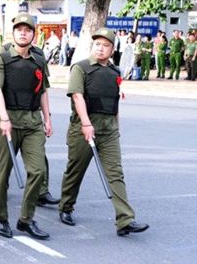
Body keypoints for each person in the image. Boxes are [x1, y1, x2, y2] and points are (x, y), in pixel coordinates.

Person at [59, 27, 149, 237]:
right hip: (84, 128)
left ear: (112, 49)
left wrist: (117, 127)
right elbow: (77, 97)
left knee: (115, 173)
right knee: (75, 170)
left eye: (105, 45)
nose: (100, 48)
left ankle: (125, 219)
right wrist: (86, 123)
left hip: (108, 130)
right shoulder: (80, 68)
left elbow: (115, 102)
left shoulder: (115, 72)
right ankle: (66, 206)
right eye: (97, 44)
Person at [0, 13, 53, 240]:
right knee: (3, 172)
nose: (23, 33)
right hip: (9, 121)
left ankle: (26, 219)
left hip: (33, 121)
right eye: (19, 29)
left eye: (27, 30)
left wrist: (48, 118)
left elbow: (43, 90)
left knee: (38, 171)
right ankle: (1, 217)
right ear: (13, 33)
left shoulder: (39, 59)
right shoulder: (3, 58)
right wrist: (4, 118)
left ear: (34, 35)